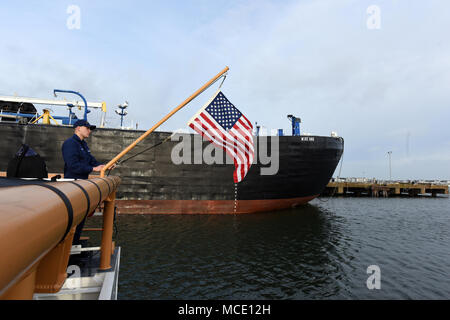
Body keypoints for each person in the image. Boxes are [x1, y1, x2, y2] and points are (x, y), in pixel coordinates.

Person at [62, 119, 105, 246]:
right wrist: (93, 169)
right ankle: (68, 247)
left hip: (82, 185)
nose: (89, 131)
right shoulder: (70, 144)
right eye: (87, 128)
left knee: (80, 218)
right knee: (74, 219)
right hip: (73, 185)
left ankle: (74, 244)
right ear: (78, 128)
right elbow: (73, 166)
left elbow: (92, 161)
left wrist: (104, 166)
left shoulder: (83, 145)